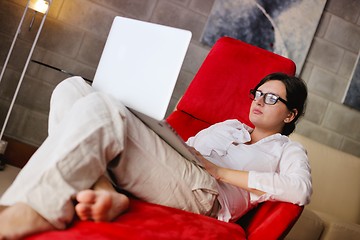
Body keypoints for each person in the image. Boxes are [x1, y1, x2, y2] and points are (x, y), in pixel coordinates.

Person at [0, 72, 312, 239]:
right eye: (257, 93)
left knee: (102, 109)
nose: (259, 100)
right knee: (73, 88)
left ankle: (32, 208)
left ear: (290, 115)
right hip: (178, 168)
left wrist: (219, 172)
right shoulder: (230, 125)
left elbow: (300, 189)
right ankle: (106, 191)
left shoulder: (288, 149)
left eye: (271, 98)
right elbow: (183, 146)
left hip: (206, 194)